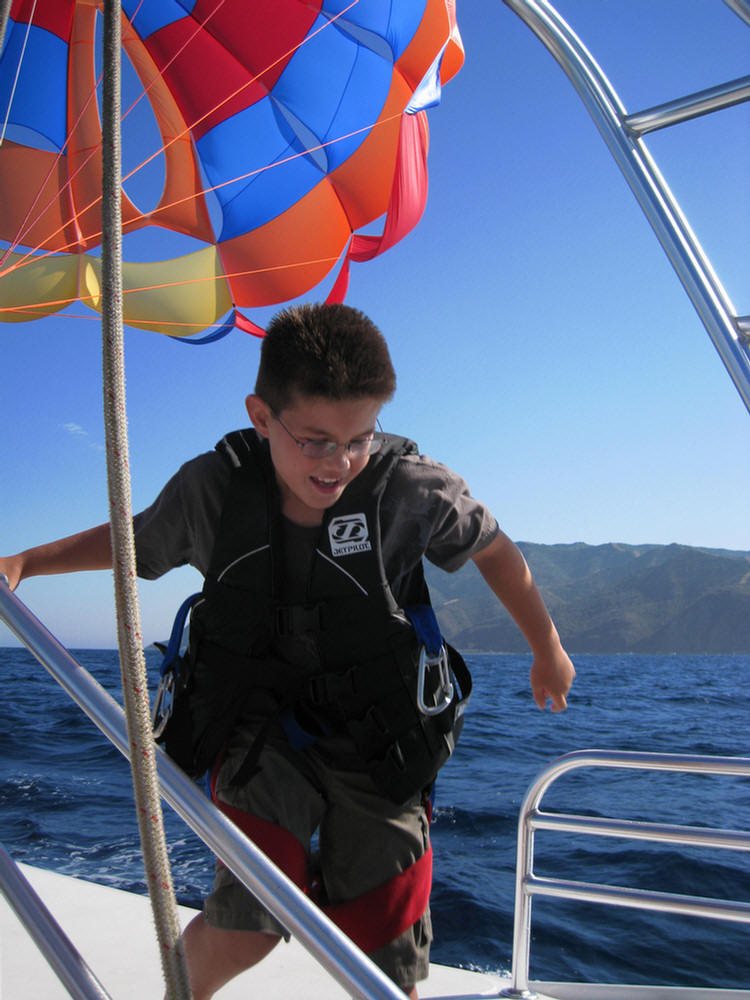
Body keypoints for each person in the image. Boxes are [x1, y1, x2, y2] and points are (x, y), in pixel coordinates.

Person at [0, 303, 575, 999]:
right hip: (258, 727)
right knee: (248, 922)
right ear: (261, 416)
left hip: (380, 735)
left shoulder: (411, 491)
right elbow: (133, 538)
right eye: (315, 441)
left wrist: (546, 647)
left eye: (361, 438)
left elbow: (496, 551)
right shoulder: (212, 492)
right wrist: (26, 561)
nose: (339, 463)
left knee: (388, 951)